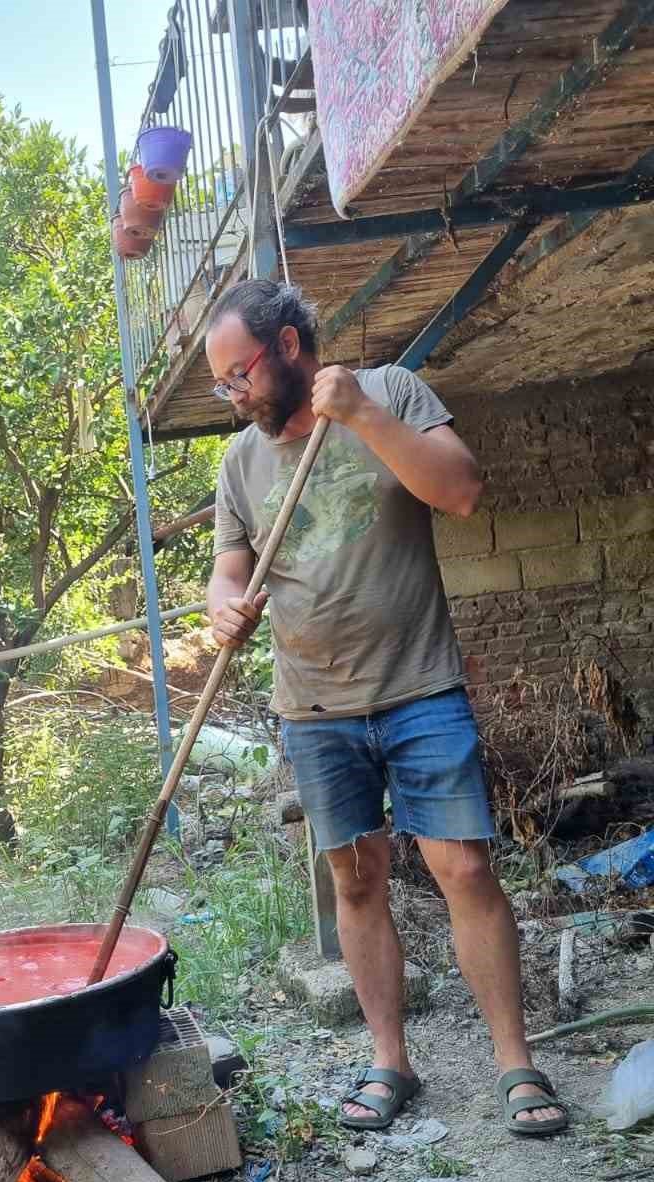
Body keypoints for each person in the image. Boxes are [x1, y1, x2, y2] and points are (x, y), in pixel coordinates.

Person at [204, 278, 566, 1136]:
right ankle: (390, 1062)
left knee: (465, 870)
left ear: (289, 345)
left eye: (240, 374)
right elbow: (230, 564)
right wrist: (224, 603)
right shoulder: (240, 463)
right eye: (223, 384)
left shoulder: (393, 392)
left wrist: (364, 414)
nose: (235, 395)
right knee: (355, 883)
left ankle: (515, 1062)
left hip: (418, 688)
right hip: (314, 705)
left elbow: (462, 488)